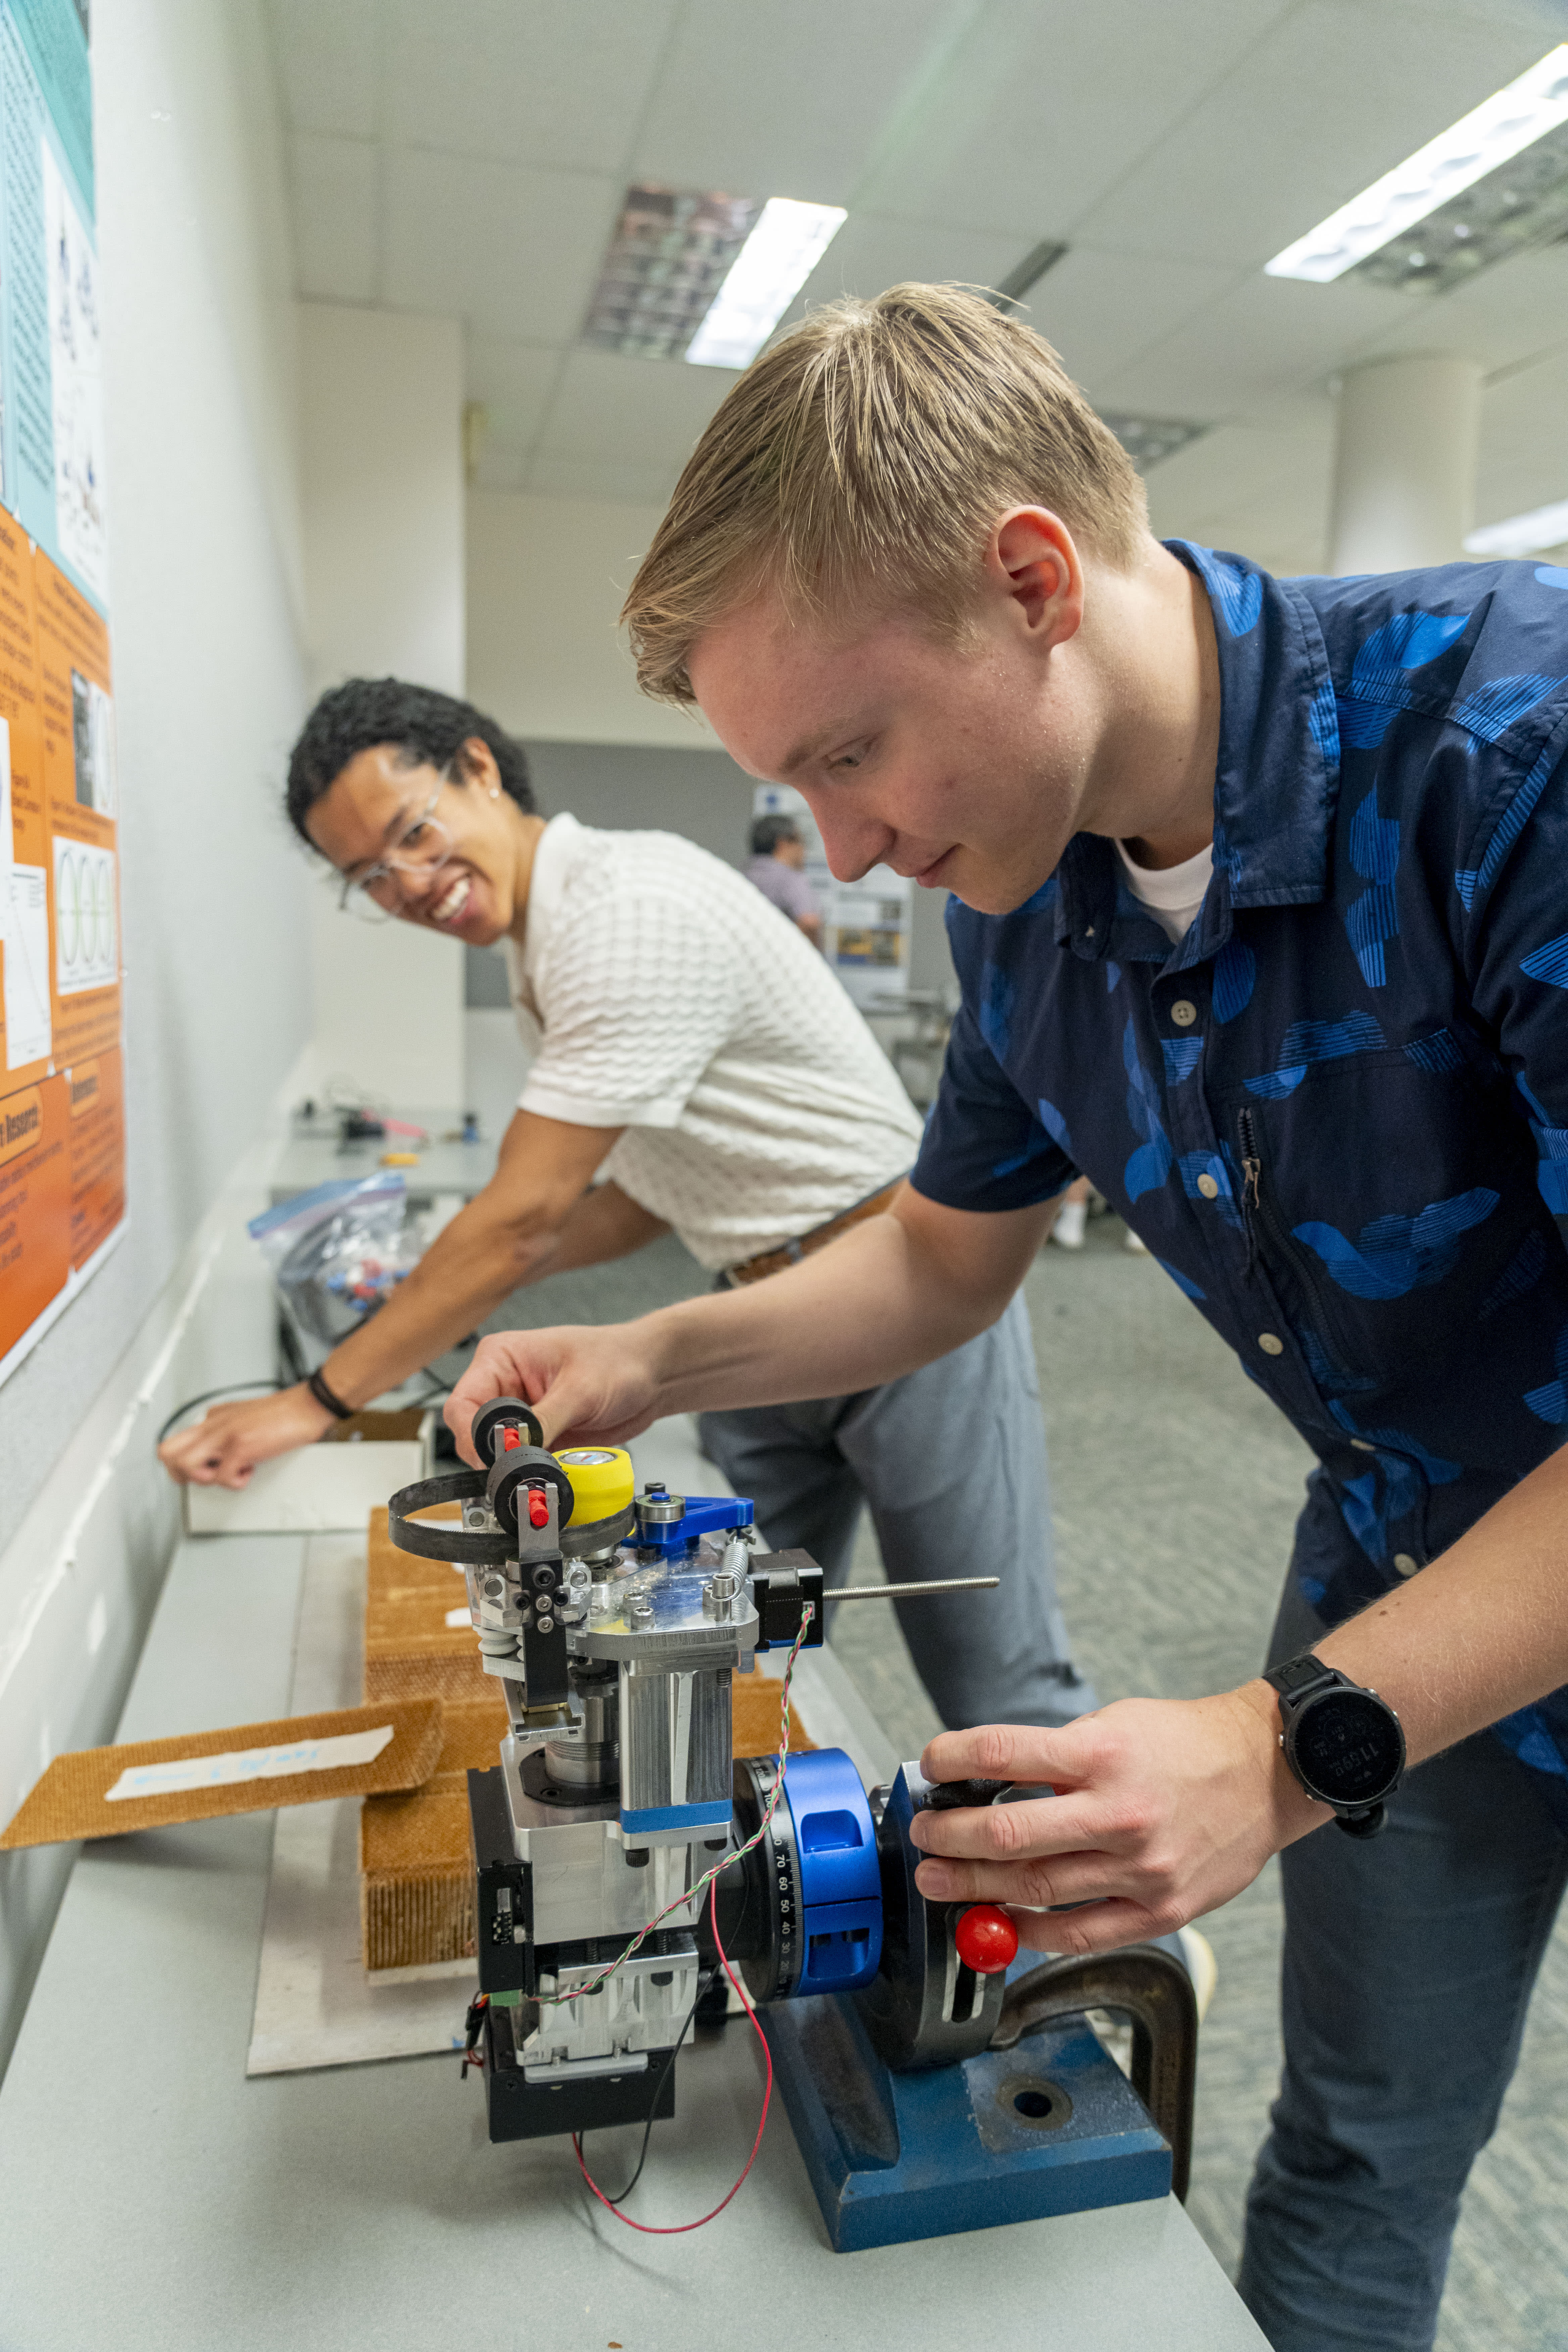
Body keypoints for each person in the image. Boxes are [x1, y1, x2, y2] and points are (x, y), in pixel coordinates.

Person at [444, 285, 1568, 2352]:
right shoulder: (1026, 907)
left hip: (1401, 1646)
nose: (845, 844)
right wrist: (641, 1357)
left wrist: (1271, 1738)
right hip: (1416, 1587)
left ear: (1028, 579)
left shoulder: (1506, 733)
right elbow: (941, 1257)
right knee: (1346, 2150)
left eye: (847, 755)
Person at [158, 676, 1091, 1735]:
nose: (409, 882)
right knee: (719, 1652)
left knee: (997, 1684)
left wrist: (313, 1403)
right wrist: (435, 1283)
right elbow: (642, 1193)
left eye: (413, 833)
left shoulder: (622, 911)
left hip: (899, 1293)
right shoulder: (543, 947)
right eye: (369, 876)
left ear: (476, 767)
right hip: (750, 1311)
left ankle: (1124, 1899)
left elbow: (526, 1218)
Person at [744, 811, 822, 946]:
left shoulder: (742, 874)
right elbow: (810, 923)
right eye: (800, 842)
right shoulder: (790, 877)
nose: (803, 850)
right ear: (783, 844)